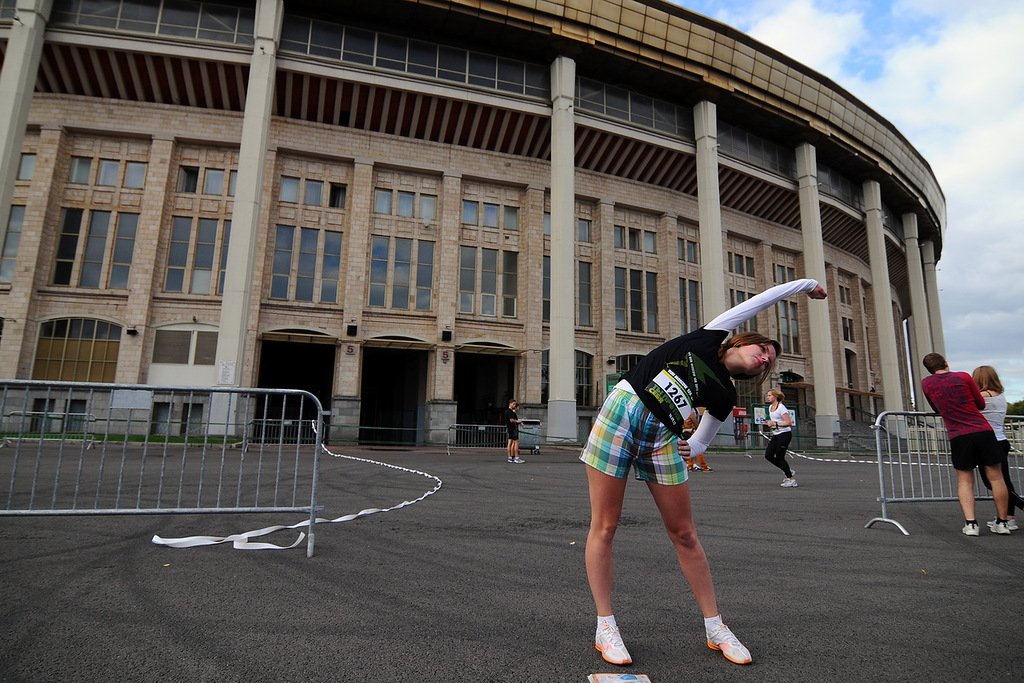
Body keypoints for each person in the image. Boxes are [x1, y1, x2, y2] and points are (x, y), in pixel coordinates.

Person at [580, 278, 827, 667]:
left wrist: (690, 446)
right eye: (762, 348)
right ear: (741, 341)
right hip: (622, 414)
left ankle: (716, 627)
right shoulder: (709, 337)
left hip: (662, 438)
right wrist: (806, 285)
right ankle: (606, 626)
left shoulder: (725, 395)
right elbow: (760, 300)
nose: (765, 358)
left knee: (685, 533)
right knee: (605, 525)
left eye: (770, 360)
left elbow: (702, 442)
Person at [920, 353, 1011, 536]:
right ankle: (1002, 522)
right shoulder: (962, 376)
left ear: (928, 369)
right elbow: (980, 403)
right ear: (945, 363)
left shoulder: (926, 383)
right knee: (996, 477)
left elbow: (936, 408)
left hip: (958, 434)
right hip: (982, 431)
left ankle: (971, 524)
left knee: (965, 480)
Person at [972, 365, 1022, 530]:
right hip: (1001, 440)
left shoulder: (981, 398)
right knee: (1004, 479)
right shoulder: (1000, 397)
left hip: (987, 441)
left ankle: (1017, 508)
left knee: (991, 481)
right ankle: (1008, 518)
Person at [763, 388, 797, 487]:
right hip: (776, 434)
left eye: (769, 395)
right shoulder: (770, 407)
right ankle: (787, 470)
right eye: (767, 395)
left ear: (775, 396)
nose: (768, 397)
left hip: (784, 435)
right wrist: (769, 423)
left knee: (780, 457)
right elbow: (773, 421)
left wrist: (775, 424)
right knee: (768, 455)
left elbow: (788, 422)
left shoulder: (781, 408)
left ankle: (791, 479)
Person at [505, 399, 524, 464]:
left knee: (510, 443)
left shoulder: (508, 411)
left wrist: (519, 422)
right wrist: (517, 421)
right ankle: (516, 458)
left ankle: (510, 457)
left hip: (510, 429)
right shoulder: (510, 412)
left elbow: (513, 419)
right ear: (510, 404)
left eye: (515, 404)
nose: (514, 405)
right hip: (513, 429)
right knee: (516, 443)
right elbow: (511, 420)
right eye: (513, 404)